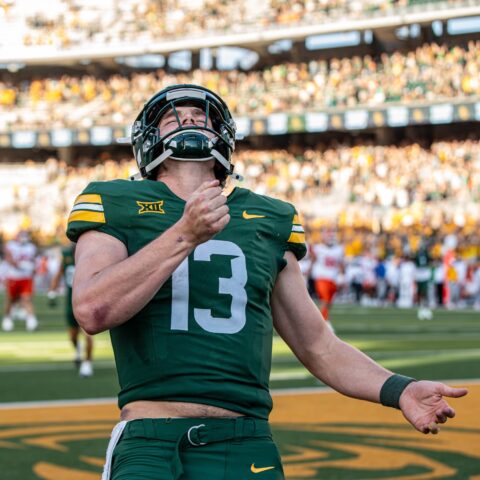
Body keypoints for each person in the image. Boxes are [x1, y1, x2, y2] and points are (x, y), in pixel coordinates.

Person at [67, 85, 468, 480]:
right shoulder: (114, 201)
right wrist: (184, 234)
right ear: (148, 141)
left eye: (200, 116)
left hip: (246, 441)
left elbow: (318, 345)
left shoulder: (267, 217)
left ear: (223, 137)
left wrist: (399, 390)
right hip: (151, 441)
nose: (188, 120)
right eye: (173, 117)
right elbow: (92, 309)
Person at [49, 243, 93, 377]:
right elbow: (59, 274)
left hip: (87, 301)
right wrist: (52, 292)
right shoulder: (67, 257)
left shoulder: (91, 256)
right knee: (72, 336)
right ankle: (78, 350)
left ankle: (87, 363)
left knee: (88, 334)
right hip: (71, 302)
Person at [1, 230, 38, 332]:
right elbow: (9, 258)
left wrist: (32, 267)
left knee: (27, 299)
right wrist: (18, 264)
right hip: (14, 276)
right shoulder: (11, 245)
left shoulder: (31, 247)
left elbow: (33, 261)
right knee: (10, 299)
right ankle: (7, 318)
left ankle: (31, 320)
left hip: (26, 276)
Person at [310, 228, 344, 330]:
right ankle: (324, 322)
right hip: (321, 276)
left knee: (329, 302)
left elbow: (341, 263)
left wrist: (342, 275)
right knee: (324, 300)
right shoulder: (318, 248)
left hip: (333, 278)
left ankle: (323, 319)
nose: (330, 239)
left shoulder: (339, 249)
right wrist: (308, 271)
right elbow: (313, 259)